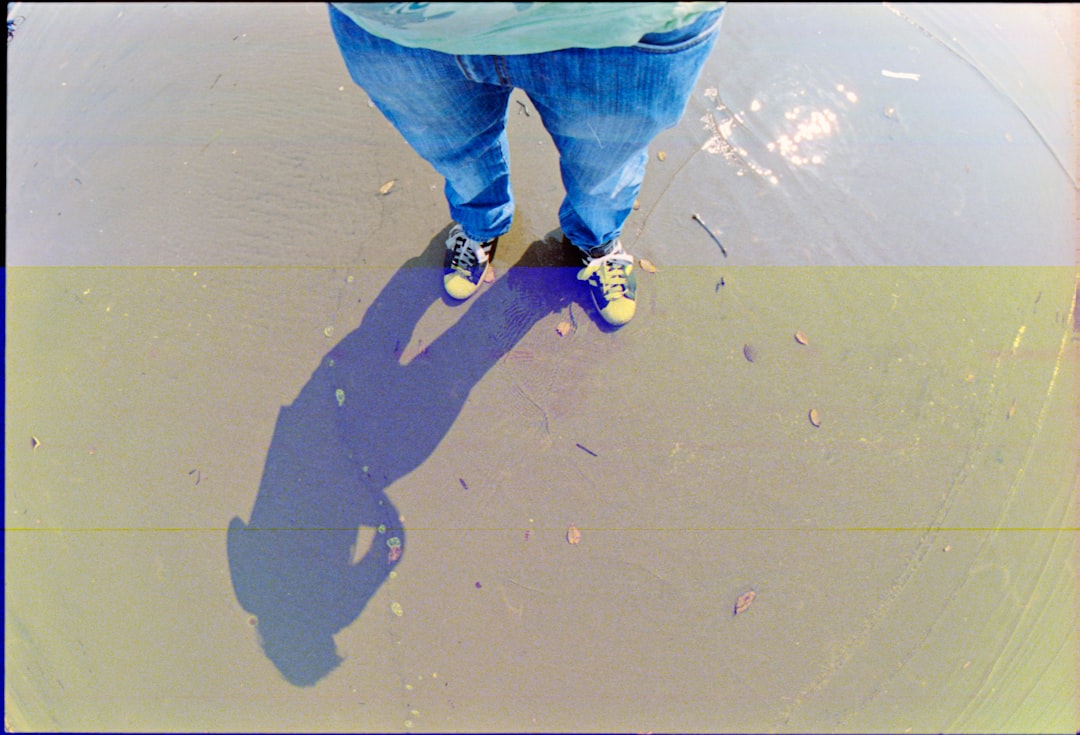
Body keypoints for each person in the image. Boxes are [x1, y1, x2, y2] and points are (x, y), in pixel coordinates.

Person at [329, 2, 726, 327]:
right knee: (461, 157)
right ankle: (480, 226)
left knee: (603, 169)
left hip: (623, 28)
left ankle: (597, 241)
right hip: (400, 29)